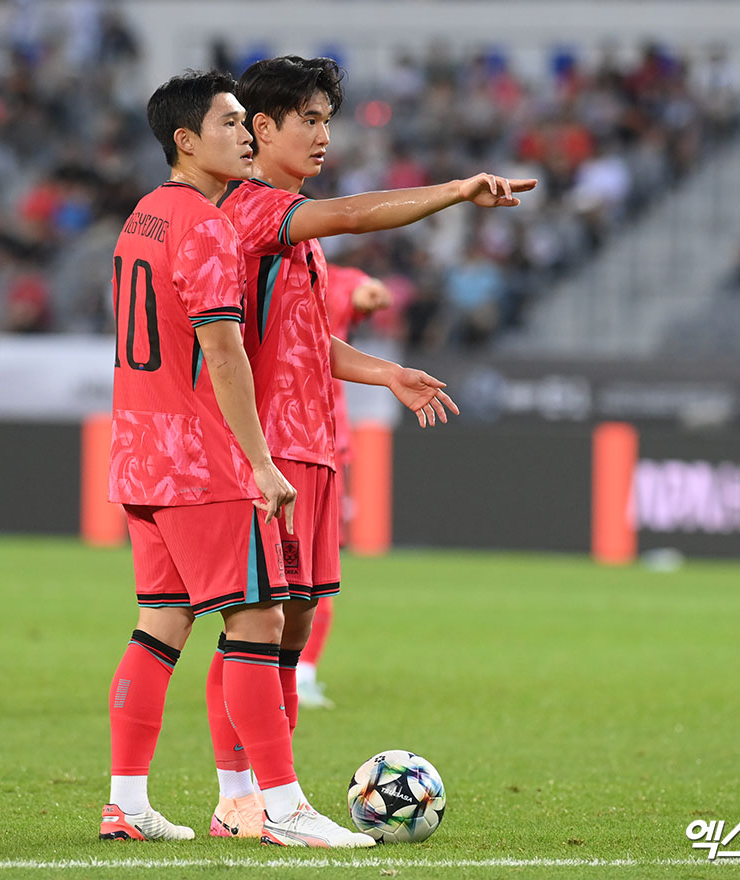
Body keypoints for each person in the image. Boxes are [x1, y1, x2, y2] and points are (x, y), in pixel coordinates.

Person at [207, 54, 535, 839]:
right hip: (272, 448)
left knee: (292, 627)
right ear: (262, 128)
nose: (324, 134)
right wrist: (455, 191)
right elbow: (356, 215)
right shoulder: (255, 209)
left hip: (315, 444)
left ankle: (256, 798)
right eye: (308, 120)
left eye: (327, 119)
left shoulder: (297, 233)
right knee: (255, 628)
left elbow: (307, 343)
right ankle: (247, 797)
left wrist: (387, 373)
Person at [99, 69, 372, 849]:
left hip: (138, 458)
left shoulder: (141, 219)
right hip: (201, 463)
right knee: (257, 622)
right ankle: (278, 807)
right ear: (186, 141)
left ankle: (125, 800)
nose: (244, 135)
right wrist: (260, 461)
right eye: (229, 124)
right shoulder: (208, 225)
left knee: (159, 627)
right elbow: (223, 351)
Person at [296, 264, 392, 710]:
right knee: (298, 570)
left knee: (301, 570)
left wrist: (370, 293)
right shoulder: (288, 268)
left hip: (298, 440)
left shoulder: (320, 272)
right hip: (298, 440)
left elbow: (364, 290)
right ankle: (290, 673)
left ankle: (297, 672)